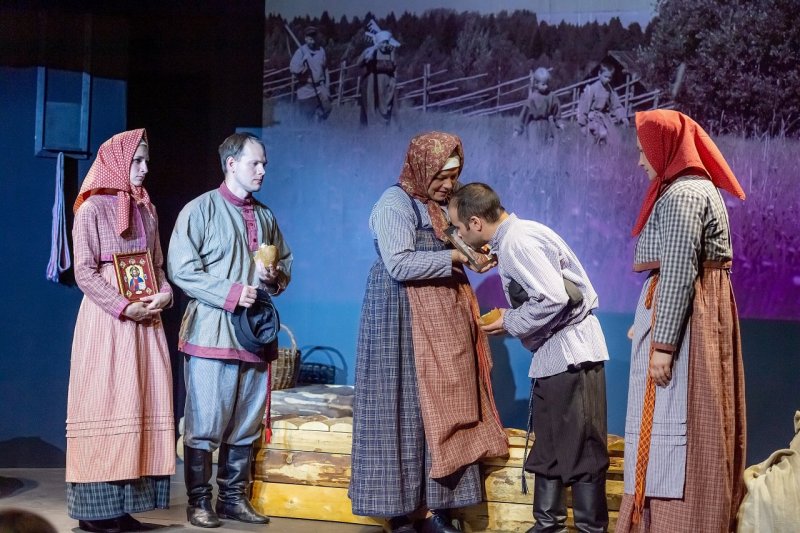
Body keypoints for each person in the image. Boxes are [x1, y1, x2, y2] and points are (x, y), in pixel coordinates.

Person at [349, 132, 509, 533]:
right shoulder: (395, 203)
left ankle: (437, 507)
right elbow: (399, 264)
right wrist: (455, 255)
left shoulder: (444, 206)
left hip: (441, 317)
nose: (448, 184)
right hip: (399, 315)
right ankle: (400, 511)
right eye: (441, 175)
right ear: (422, 168)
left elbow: (463, 240)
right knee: (401, 406)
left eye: (453, 175)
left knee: (440, 407)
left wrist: (475, 253)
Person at [449, 182, 611, 533]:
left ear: (476, 222)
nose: (458, 235)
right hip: (554, 357)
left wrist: (510, 320)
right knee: (549, 446)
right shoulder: (512, 240)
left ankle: (590, 529)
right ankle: (547, 525)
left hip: (572, 354)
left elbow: (554, 298)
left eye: (459, 227)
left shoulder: (518, 241)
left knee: (582, 449)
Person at [614, 110, 747, 533]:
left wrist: (664, 345)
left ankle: (676, 523)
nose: (640, 161)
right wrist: (647, 322)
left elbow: (678, 269)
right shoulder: (691, 189)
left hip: (689, 320)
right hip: (693, 311)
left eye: (644, 152)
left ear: (665, 148)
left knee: (677, 419)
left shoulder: (683, 194)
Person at [167, 132, 292, 528]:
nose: (262, 170)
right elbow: (181, 270)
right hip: (212, 332)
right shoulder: (200, 210)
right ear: (231, 164)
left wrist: (274, 276)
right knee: (205, 423)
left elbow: (285, 263)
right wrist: (232, 292)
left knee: (245, 424)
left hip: (254, 333)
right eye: (255, 163)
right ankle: (199, 502)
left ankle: (233, 499)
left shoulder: (266, 216)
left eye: (265, 164)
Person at [67, 129, 174, 533]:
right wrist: (123, 306)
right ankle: (95, 513)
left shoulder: (147, 208)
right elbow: (84, 272)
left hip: (145, 324)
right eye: (136, 161)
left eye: (146, 161)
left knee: (139, 401)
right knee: (106, 402)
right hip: (109, 322)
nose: (144, 169)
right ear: (116, 163)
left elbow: (157, 266)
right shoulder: (92, 209)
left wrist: (164, 294)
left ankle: (124, 508)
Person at [577, 62, 629, 144]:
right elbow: (584, 106)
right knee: (601, 134)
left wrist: (622, 117)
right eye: (605, 77)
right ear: (599, 74)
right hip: (592, 118)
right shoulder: (592, 88)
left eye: (610, 77)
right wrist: (582, 124)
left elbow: (616, 104)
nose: (607, 79)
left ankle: (605, 151)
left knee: (613, 139)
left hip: (604, 118)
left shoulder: (610, 89)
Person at [358, 29, 400, 126]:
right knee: (371, 105)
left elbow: (394, 67)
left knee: (387, 107)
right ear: (378, 42)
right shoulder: (370, 51)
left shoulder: (390, 52)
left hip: (387, 84)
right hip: (372, 83)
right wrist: (370, 53)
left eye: (386, 43)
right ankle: (372, 129)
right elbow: (359, 63)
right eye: (382, 43)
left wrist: (393, 81)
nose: (384, 45)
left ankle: (385, 128)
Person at [289, 26, 331, 121]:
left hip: (320, 88)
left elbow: (325, 69)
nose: (312, 41)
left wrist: (327, 87)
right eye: (310, 38)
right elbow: (294, 70)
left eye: (314, 37)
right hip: (306, 90)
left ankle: (318, 123)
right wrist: (302, 62)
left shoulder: (321, 51)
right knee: (307, 119)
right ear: (305, 38)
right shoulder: (300, 52)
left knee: (328, 108)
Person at [514, 67, 564, 142]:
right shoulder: (532, 97)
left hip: (546, 125)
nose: (546, 86)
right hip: (533, 126)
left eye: (547, 84)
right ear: (536, 83)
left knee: (546, 145)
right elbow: (524, 114)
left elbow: (556, 111)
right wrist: (518, 130)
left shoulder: (551, 96)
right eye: (543, 84)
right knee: (534, 145)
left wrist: (559, 123)